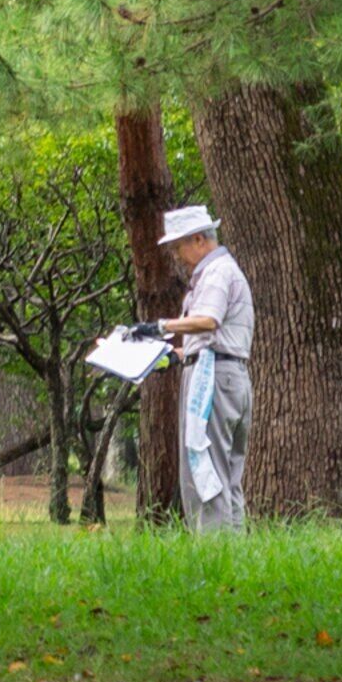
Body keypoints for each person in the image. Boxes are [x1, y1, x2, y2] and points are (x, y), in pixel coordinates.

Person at [138, 205, 254, 532]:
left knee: (205, 468)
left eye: (179, 247)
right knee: (227, 473)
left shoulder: (216, 272)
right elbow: (214, 336)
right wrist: (173, 355)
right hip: (227, 373)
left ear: (199, 240)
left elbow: (208, 321)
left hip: (213, 376)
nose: (177, 256)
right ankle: (234, 551)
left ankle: (214, 551)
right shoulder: (223, 271)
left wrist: (160, 327)